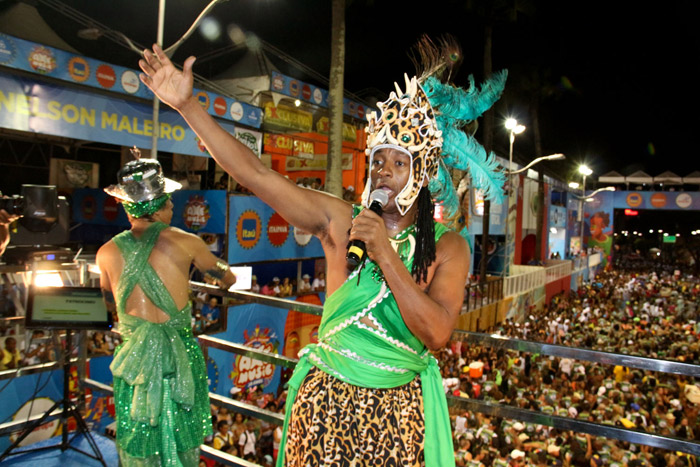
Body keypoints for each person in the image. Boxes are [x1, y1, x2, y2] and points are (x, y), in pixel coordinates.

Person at [139, 34, 505, 466]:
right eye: (379, 160)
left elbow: (438, 333)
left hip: (398, 416)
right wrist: (188, 107)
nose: (384, 171)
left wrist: (385, 254)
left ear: (422, 171)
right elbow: (256, 174)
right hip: (323, 405)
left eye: (399, 162)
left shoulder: (448, 246)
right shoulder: (339, 220)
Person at [96, 155, 236, 466]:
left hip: (137, 359)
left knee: (139, 432)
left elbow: (108, 292)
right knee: (180, 434)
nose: (173, 208)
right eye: (169, 202)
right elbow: (225, 275)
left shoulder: (105, 252)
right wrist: (222, 277)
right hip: (178, 356)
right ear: (158, 207)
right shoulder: (187, 242)